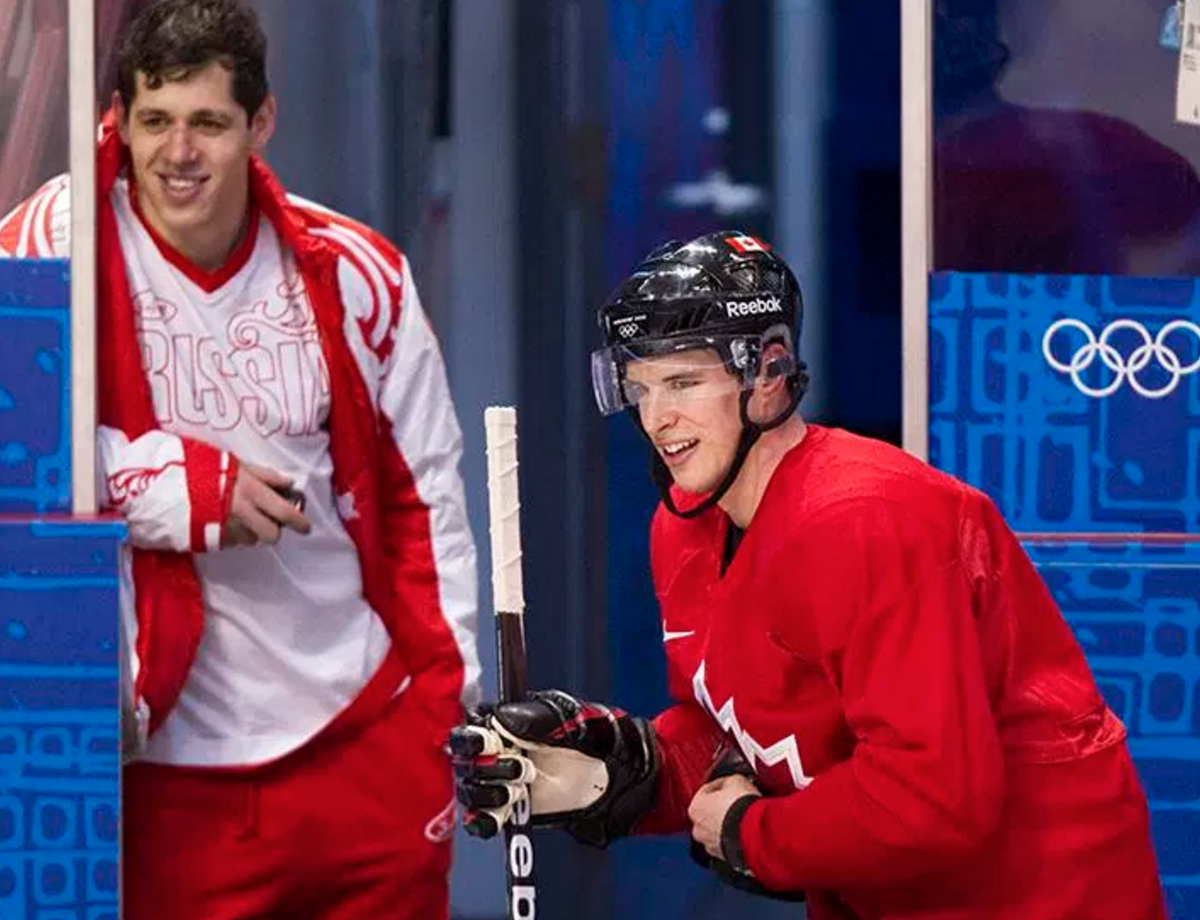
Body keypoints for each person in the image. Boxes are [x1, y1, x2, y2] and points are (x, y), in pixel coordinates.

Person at [451, 232, 1167, 919]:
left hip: (1038, 895)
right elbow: (744, 731)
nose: (658, 417)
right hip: (886, 896)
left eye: (683, 381)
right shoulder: (685, 523)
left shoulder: (866, 517)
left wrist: (752, 836)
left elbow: (934, 795)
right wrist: (615, 773)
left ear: (768, 374)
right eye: (639, 388)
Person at [0, 2, 479, 918]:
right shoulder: (48, 247)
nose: (179, 153)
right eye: (154, 122)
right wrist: (167, 485)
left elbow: (429, 506)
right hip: (163, 774)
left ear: (259, 124)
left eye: (208, 123)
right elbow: (12, 457)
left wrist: (442, 724)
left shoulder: (356, 271)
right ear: (118, 121)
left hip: (365, 740)